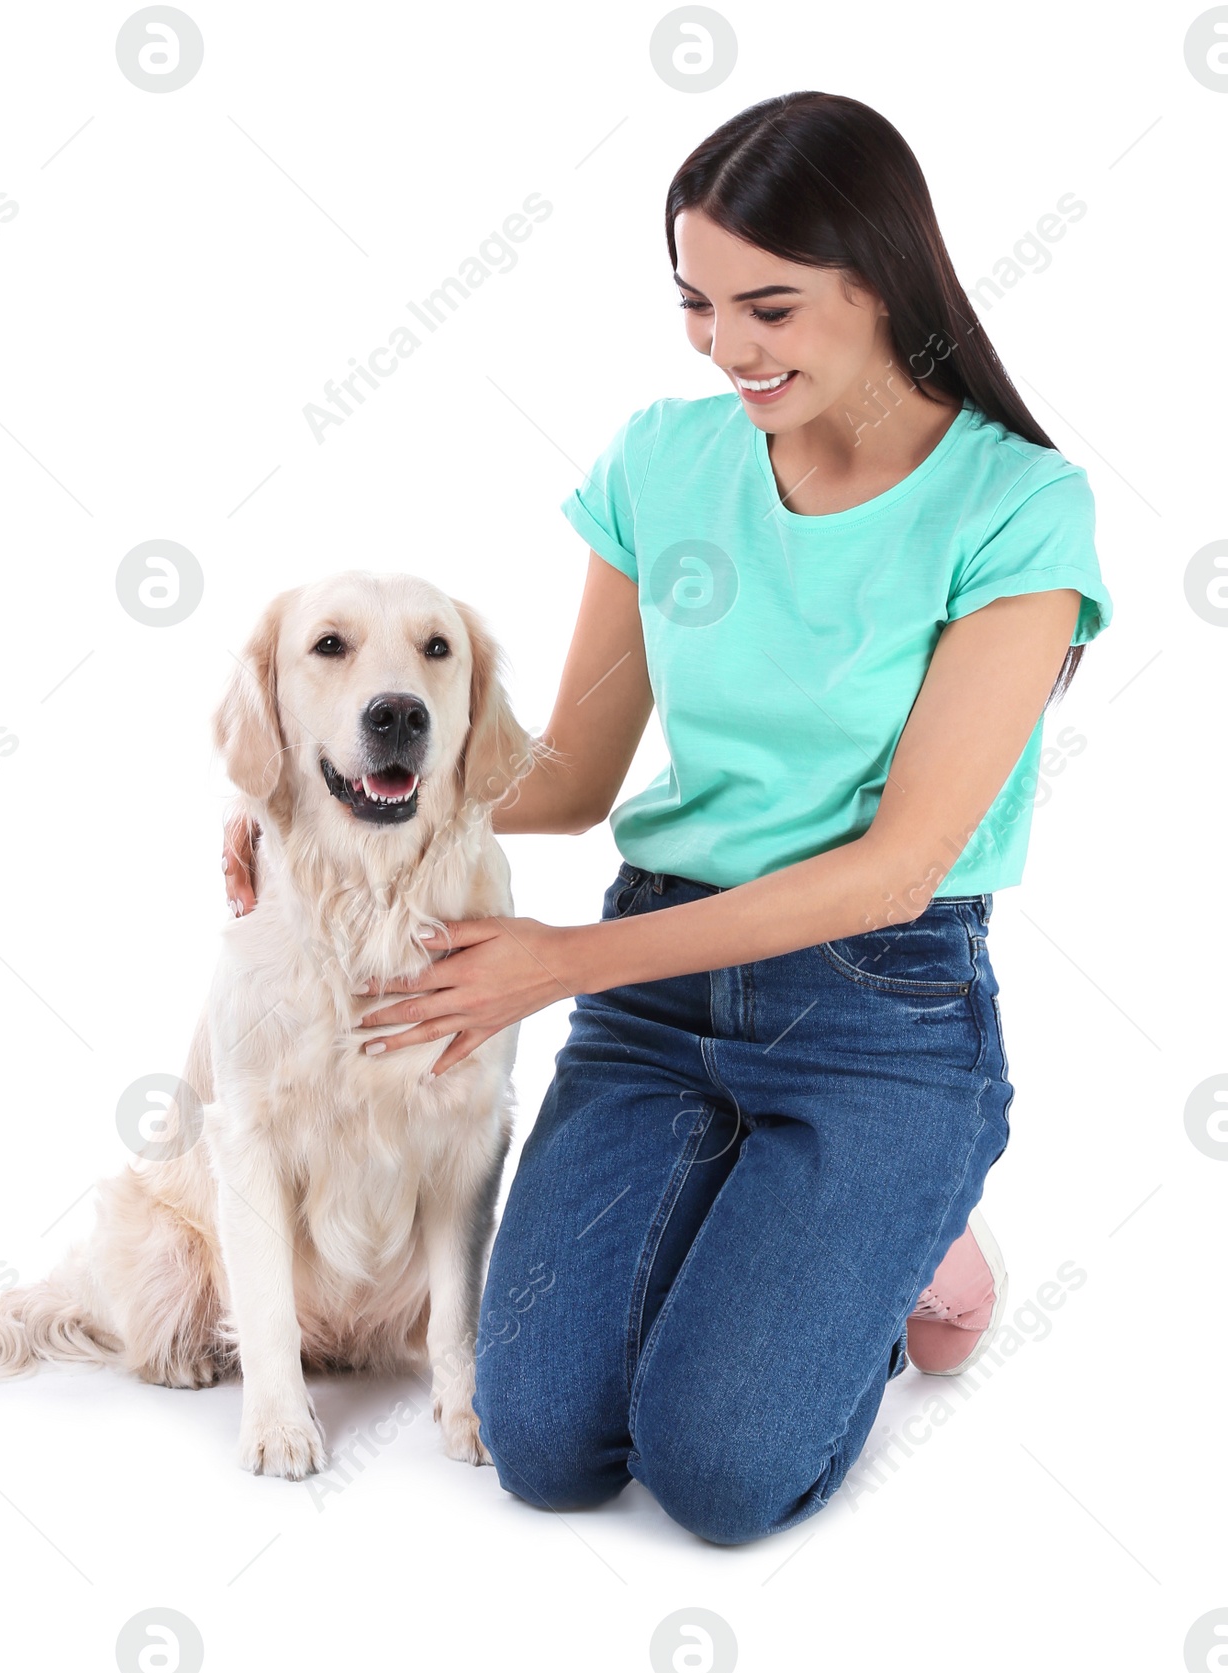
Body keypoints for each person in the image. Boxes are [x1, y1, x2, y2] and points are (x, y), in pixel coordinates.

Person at [220, 90, 1113, 1544]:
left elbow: (895, 872)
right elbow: (563, 773)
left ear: (883, 278)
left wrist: (558, 961)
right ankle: (779, 1232)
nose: (728, 348)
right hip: (661, 987)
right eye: (698, 304)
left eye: (770, 306)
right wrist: (314, 800)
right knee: (547, 1446)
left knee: (717, 1473)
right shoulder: (666, 461)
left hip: (879, 1005)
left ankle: (910, 1229)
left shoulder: (1018, 510)